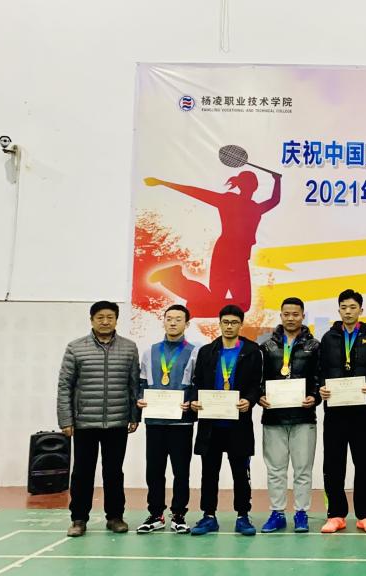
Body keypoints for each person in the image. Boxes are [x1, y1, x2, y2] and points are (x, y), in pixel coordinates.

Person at [143, 170, 281, 317]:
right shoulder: (231, 201)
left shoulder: (255, 207)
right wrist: (164, 183)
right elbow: (198, 193)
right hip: (225, 254)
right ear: (253, 186)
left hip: (239, 257)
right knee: (233, 303)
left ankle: (187, 297)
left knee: (234, 303)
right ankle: (178, 285)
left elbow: (274, 201)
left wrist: (277, 181)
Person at [57, 301, 140, 537]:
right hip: (84, 422)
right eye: (100, 317)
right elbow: (65, 386)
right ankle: (78, 519)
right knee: (82, 472)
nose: (105, 321)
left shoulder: (129, 348)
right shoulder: (75, 347)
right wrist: (66, 419)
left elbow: (134, 384)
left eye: (110, 317)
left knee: (114, 472)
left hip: (117, 422)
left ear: (116, 320)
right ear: (92, 320)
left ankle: (115, 517)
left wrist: (134, 416)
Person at [189, 305, 263, 536]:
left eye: (234, 322)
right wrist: (195, 400)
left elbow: (256, 384)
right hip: (211, 424)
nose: (229, 326)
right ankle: (208, 516)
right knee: (209, 473)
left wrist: (249, 400)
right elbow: (197, 382)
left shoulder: (252, 351)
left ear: (241, 324)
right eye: (225, 322)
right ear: (219, 324)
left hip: (238, 424)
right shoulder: (207, 352)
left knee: (240, 473)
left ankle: (243, 516)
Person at [318, 289, 366, 533]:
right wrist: (321, 388)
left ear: (361, 310)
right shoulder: (328, 338)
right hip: (334, 410)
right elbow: (321, 370)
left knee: (365, 462)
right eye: (344, 307)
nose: (348, 311)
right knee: (333, 463)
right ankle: (336, 514)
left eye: (353, 307)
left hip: (361, 410)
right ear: (338, 310)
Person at [257, 297, 320, 533]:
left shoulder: (314, 346)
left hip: (303, 416)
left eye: (295, 314)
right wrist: (259, 396)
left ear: (303, 316)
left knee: (303, 469)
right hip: (273, 417)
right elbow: (258, 378)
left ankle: (301, 513)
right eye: (287, 314)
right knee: (276, 469)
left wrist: (315, 396)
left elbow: (319, 377)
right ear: (281, 315)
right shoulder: (266, 346)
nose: (291, 318)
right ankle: (277, 513)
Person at [135, 304, 198, 534]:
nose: (173, 322)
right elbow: (141, 383)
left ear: (186, 324)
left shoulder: (195, 352)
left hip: (182, 423)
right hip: (155, 421)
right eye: (169, 318)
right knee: (154, 470)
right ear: (163, 321)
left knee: (181, 471)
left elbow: (198, 384)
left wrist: (191, 402)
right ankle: (156, 514)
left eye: (178, 319)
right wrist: (140, 399)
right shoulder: (149, 351)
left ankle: (179, 515)